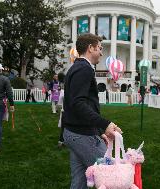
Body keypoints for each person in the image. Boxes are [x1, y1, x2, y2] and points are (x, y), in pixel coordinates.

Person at [62, 33, 122, 189]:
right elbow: (78, 104)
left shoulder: (76, 67)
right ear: (90, 48)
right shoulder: (84, 69)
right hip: (81, 136)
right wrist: (105, 124)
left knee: (79, 181)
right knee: (112, 178)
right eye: (100, 48)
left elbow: (79, 104)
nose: (102, 52)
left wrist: (97, 130)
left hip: (74, 133)